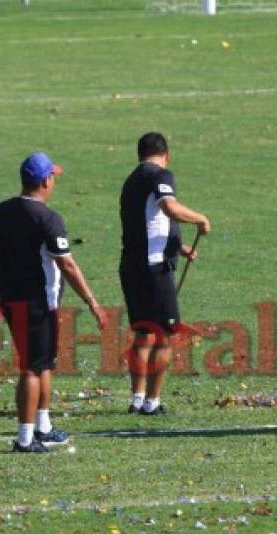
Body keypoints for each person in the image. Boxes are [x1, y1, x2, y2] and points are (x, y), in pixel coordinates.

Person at [0, 152, 108, 452]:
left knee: (44, 364)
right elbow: (67, 265)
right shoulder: (48, 219)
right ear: (44, 181)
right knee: (31, 368)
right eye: (52, 176)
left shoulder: (0, 212)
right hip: (40, 303)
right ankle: (25, 439)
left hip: (12, 299)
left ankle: (43, 426)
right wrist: (92, 302)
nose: (54, 181)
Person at [119, 132, 211, 415]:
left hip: (132, 266)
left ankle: (137, 398)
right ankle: (152, 403)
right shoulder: (161, 175)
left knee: (144, 334)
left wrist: (177, 246)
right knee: (165, 336)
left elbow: (145, 223)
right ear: (166, 154)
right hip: (154, 269)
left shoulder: (131, 181)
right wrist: (200, 218)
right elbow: (167, 207)